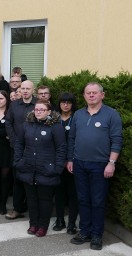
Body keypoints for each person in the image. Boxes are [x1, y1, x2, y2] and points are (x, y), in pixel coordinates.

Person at [67, 82, 123, 251]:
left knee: (98, 201)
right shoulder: (78, 114)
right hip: (79, 163)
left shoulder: (111, 115)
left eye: (94, 92)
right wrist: (70, 159)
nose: (91, 95)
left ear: (102, 95)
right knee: (82, 199)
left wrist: (111, 163)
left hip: (100, 165)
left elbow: (117, 140)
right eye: (88, 93)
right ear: (84, 96)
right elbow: (72, 139)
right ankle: (85, 232)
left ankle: (97, 235)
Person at [14, 101, 66, 237]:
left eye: (42, 110)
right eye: (36, 109)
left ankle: (43, 226)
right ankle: (33, 224)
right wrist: (18, 161)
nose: (38, 112)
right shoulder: (27, 125)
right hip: (28, 168)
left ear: (49, 112)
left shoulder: (56, 127)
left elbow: (61, 149)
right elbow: (19, 143)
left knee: (45, 201)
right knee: (31, 200)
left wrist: (57, 167)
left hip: (47, 170)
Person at [4, 80, 37, 220]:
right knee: (17, 178)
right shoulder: (14, 105)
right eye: (22, 88)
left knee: (33, 179)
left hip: (34, 149)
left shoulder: (39, 105)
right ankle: (17, 208)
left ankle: (34, 209)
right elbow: (8, 122)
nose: (24, 91)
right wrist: (14, 140)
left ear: (32, 90)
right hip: (17, 148)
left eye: (27, 88)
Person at [52, 92, 79, 234]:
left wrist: (70, 159)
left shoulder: (77, 118)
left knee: (73, 193)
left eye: (68, 102)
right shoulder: (54, 118)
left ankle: (72, 224)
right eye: (63, 102)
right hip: (57, 162)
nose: (66, 104)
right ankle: (60, 220)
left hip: (72, 162)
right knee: (59, 192)